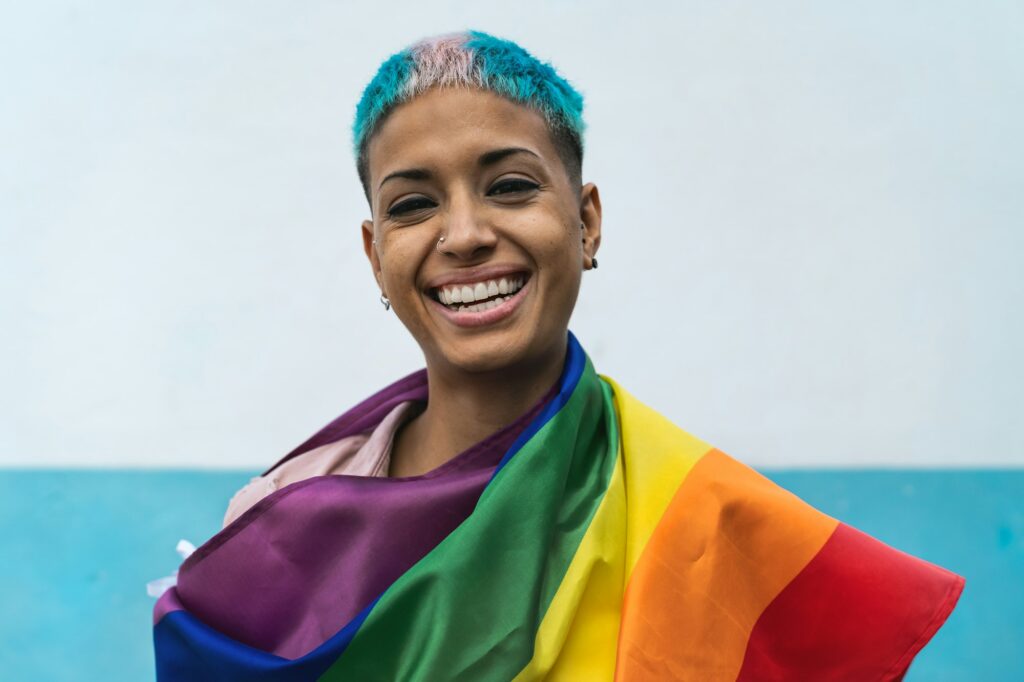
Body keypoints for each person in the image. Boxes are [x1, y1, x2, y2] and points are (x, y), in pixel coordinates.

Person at [152, 30, 964, 681]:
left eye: (509, 186)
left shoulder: (703, 525)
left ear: (587, 222)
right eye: (412, 204)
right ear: (375, 254)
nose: (465, 235)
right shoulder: (280, 517)